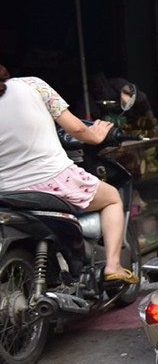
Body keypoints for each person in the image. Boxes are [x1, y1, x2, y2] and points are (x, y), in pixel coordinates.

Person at [0, 66, 136, 284]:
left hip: (7, 191)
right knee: (112, 198)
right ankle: (113, 266)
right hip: (53, 179)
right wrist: (96, 136)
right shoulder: (33, 85)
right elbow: (77, 129)